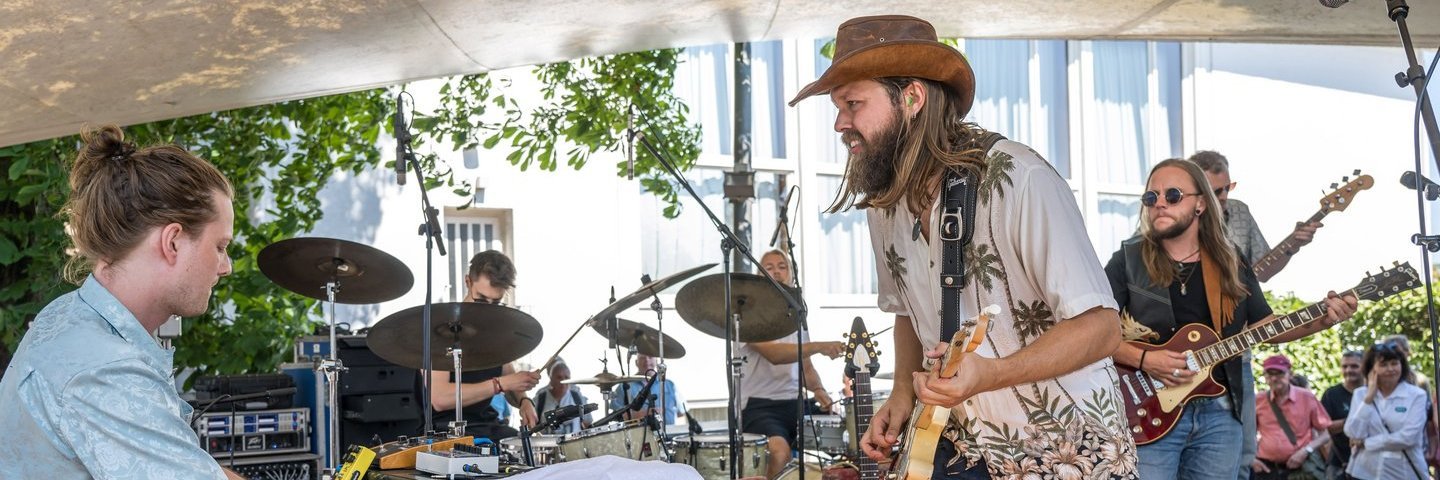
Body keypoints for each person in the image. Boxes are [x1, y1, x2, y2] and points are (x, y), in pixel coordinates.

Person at [790, 15, 1138, 478]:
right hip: (960, 448)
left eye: (853, 104)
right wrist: (900, 393)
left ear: (911, 97)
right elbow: (907, 313)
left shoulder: (1021, 179)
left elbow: (1101, 328)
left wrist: (991, 374)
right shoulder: (883, 204)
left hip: (1069, 453)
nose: (839, 123)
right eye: (838, 107)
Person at [0, 125, 243, 479]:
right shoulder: (103, 369)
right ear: (173, 241)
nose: (226, 267)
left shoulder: (67, 314)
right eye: (220, 247)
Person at [1107, 159, 1356, 479]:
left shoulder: (1229, 260)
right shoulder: (1128, 259)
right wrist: (1144, 359)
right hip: (1146, 410)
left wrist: (1323, 318)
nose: (1160, 204)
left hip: (1219, 414)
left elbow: (1263, 325)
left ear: (1200, 204)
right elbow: (1094, 334)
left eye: (1172, 195)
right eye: (1151, 197)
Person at [1189, 150, 1325, 480]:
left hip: (1237, 351)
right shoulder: (1174, 223)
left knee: (1242, 452)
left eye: (1226, 188)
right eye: (1213, 190)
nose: (1222, 197)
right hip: (1188, 353)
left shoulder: (1238, 213)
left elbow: (1261, 270)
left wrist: (1292, 244)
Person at [738, 248, 844, 479]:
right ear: (759, 275)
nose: (776, 271)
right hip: (759, 406)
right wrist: (820, 346)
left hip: (796, 403)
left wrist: (818, 390)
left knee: (848, 435)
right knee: (779, 452)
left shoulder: (795, 313)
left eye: (782, 266)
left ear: (791, 274)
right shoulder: (748, 314)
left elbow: (806, 367)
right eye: (769, 267)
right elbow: (775, 355)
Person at [427, 250, 541, 441]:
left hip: (488, 428)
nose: (486, 308)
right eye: (480, 299)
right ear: (467, 282)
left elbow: (510, 382)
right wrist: (500, 384)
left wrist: (524, 400)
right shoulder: (439, 329)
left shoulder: (495, 332)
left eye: (495, 303)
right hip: (444, 435)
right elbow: (439, 399)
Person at [1345, 341, 1429, 479]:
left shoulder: (1416, 395)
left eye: (1394, 363)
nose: (1390, 369)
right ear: (1372, 370)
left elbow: (1408, 437)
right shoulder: (1361, 394)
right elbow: (1353, 432)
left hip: (1403, 472)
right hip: (1364, 472)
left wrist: (1367, 443)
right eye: (1383, 365)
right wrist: (1368, 400)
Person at [1253, 354, 1331, 479]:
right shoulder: (1259, 399)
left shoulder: (1306, 397)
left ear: (1290, 373)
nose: (1273, 378)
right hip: (1266, 469)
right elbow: (1246, 433)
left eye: (1279, 373)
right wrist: (1251, 459)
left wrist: (1306, 450)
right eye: (1269, 374)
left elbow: (1325, 433)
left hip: (1299, 469)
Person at [612, 353, 689, 428]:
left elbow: (681, 412)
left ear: (656, 361)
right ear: (636, 362)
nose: (647, 360)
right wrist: (643, 414)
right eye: (642, 358)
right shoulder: (624, 386)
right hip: (639, 437)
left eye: (650, 357)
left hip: (668, 436)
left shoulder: (669, 385)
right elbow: (616, 416)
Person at [1322, 350, 1366, 479]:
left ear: (1364, 367)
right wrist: (1353, 421)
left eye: (1354, 366)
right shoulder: (1331, 394)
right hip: (1339, 463)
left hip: (1368, 461)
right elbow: (1324, 428)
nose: (1348, 370)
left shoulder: (1372, 392)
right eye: (1344, 366)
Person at [530, 360, 593, 435]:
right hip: (547, 445)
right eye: (559, 377)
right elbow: (531, 427)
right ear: (551, 379)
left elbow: (587, 424)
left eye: (566, 377)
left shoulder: (578, 398)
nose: (563, 381)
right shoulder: (540, 399)